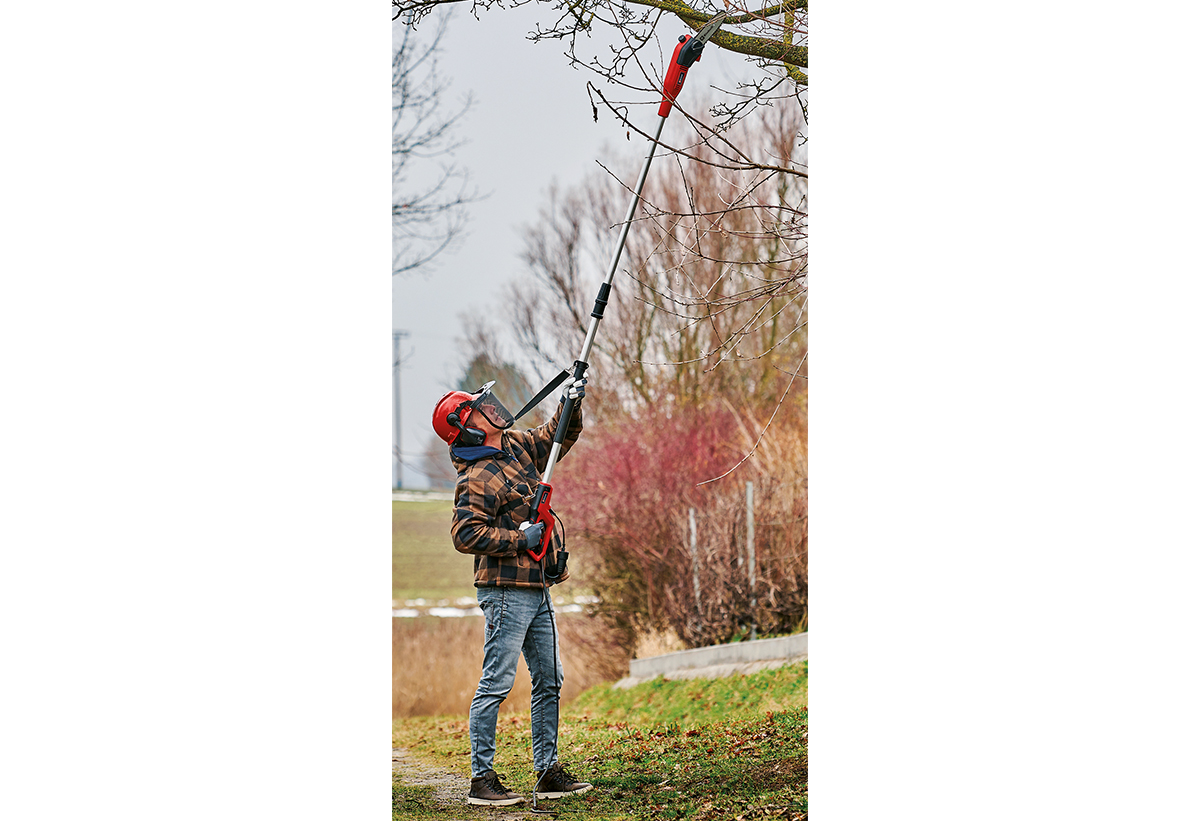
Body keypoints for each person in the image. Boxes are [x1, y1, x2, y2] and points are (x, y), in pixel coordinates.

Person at [431, 377, 595, 808]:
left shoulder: (517, 446)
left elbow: (557, 437)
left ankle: (547, 772)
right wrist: (519, 539)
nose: (493, 409)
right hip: (505, 591)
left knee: (550, 679)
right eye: (480, 409)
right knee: (497, 684)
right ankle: (481, 780)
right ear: (468, 427)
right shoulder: (476, 476)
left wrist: (570, 402)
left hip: (536, 587)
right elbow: (465, 533)